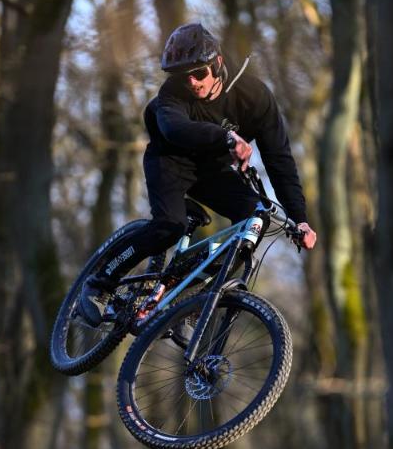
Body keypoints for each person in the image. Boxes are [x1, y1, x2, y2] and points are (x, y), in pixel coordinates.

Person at [79, 22, 317, 325]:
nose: (192, 82)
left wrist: (299, 218)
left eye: (199, 73)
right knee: (170, 226)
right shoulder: (172, 93)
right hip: (170, 161)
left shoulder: (254, 97)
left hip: (211, 171)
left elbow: (279, 160)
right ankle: (100, 283)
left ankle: (197, 298)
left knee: (255, 216)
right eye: (184, 76)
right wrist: (226, 137)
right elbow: (175, 129)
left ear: (217, 64)